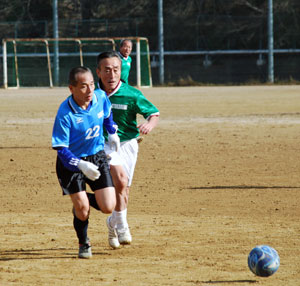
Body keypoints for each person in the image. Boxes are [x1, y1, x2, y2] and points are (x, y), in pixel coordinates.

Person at [52, 66, 120, 258]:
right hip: (70, 162)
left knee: (108, 207)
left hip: (96, 156)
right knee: (82, 211)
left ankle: (81, 199)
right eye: (83, 86)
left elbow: (107, 115)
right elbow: (61, 149)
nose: (90, 90)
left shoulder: (99, 97)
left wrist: (112, 131)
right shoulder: (65, 113)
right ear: (71, 89)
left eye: (91, 84)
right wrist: (80, 165)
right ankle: (84, 242)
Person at [95, 51, 159, 249]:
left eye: (115, 70)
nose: (111, 75)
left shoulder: (131, 94)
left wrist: (149, 124)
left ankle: (112, 224)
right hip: (103, 145)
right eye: (107, 70)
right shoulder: (93, 94)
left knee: (124, 190)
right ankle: (122, 225)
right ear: (98, 72)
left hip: (128, 144)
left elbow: (154, 113)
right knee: (120, 181)